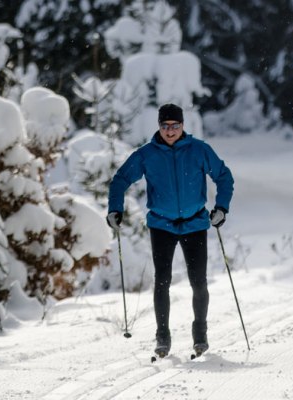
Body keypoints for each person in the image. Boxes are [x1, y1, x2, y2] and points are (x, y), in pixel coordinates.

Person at [107, 103, 235, 358]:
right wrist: (114, 209)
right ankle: (162, 336)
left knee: (198, 282)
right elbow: (120, 179)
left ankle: (200, 334)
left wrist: (221, 208)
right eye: (165, 126)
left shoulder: (199, 150)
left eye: (175, 126)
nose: (170, 131)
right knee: (162, 281)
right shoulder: (147, 153)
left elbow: (224, 176)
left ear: (182, 126)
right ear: (159, 127)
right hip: (162, 225)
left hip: (195, 223)